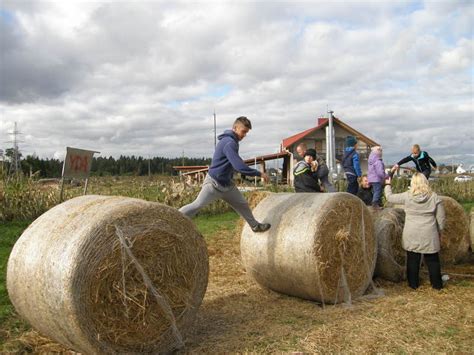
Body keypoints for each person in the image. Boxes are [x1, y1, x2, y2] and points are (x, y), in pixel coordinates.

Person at [179, 116, 271, 233]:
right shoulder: (229, 143)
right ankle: (172, 218)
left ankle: (255, 226)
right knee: (197, 205)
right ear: (235, 128)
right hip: (214, 184)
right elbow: (239, 167)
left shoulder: (232, 142)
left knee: (242, 204)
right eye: (243, 132)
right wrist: (259, 174)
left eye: (246, 133)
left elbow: (234, 163)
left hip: (227, 185)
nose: (244, 135)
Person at [384, 173, 445, 290]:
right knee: (432, 260)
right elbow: (441, 218)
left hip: (411, 232)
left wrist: (388, 184)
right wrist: (440, 231)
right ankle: (437, 285)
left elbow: (389, 197)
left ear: (413, 183)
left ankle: (413, 284)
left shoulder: (407, 196)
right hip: (429, 232)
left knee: (412, 259)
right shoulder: (434, 197)